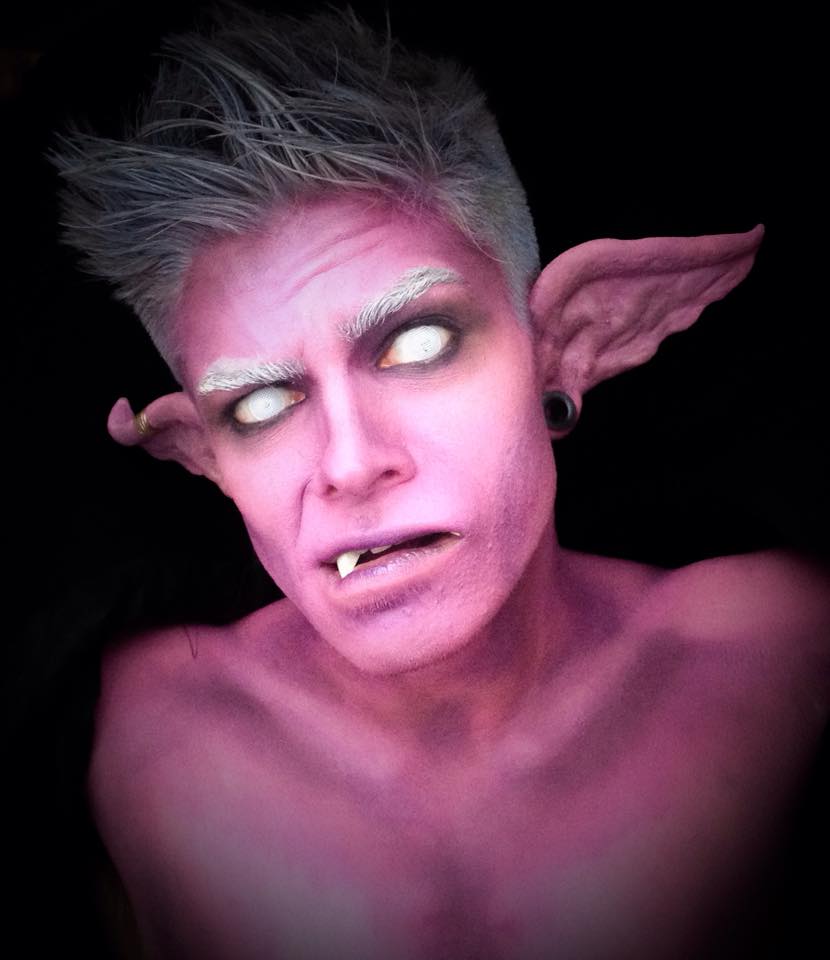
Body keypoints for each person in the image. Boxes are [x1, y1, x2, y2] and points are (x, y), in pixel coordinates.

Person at [34, 2, 827, 958]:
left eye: (417, 344)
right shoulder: (134, 731)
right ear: (201, 457)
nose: (351, 462)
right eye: (260, 405)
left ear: (570, 342)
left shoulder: (785, 652)